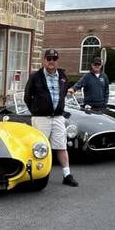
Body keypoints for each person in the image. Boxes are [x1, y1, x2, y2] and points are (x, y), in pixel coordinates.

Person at [23, 49, 78, 186]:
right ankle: (38, 175)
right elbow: (27, 96)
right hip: (41, 118)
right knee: (40, 147)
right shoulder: (35, 76)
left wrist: (58, 106)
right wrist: (36, 110)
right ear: (44, 60)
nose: (51, 61)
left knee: (61, 146)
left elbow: (63, 93)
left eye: (54, 59)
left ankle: (67, 175)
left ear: (57, 60)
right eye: (49, 58)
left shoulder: (63, 76)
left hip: (58, 117)